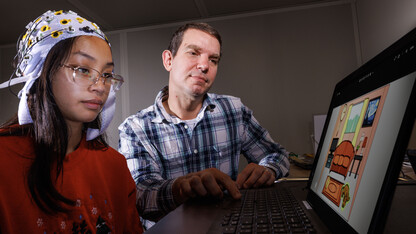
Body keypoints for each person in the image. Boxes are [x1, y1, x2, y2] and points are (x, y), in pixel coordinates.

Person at [118, 22, 290, 229]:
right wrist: (181, 188)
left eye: (213, 59)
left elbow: (278, 155)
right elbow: (142, 196)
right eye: (193, 53)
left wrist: (268, 169)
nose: (204, 65)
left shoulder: (233, 110)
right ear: (168, 60)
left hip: (229, 227)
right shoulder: (135, 128)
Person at [0, 10, 143, 233]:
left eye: (107, 74)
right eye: (83, 69)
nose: (100, 86)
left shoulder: (114, 165)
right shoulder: (4, 160)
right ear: (41, 73)